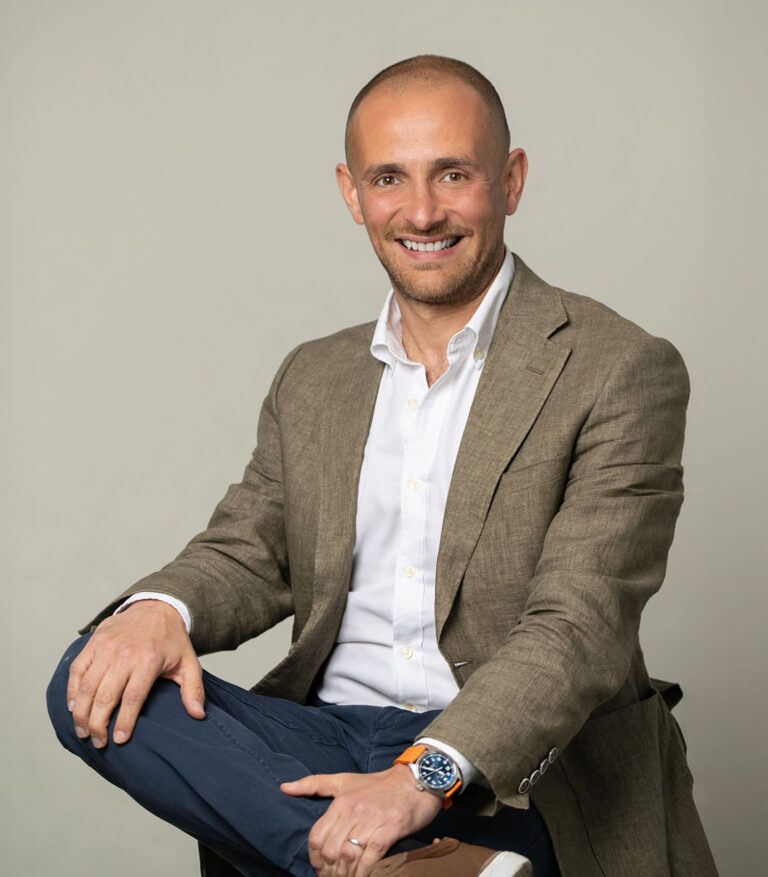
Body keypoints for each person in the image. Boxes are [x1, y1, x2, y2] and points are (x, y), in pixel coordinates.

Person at [47, 55, 718, 877]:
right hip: (324, 730)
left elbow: (578, 630)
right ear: (351, 193)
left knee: (431, 795)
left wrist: (418, 776)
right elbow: (249, 551)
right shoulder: (315, 375)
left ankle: (391, 846)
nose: (423, 210)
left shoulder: (617, 367)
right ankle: (405, 868)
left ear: (510, 180)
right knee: (94, 678)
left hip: (508, 766)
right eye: (390, 177)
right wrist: (162, 610)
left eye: (454, 174)